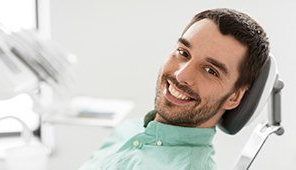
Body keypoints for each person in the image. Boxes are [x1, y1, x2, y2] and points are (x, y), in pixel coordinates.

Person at [79, 8, 269, 170]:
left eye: (210, 70)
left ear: (234, 97)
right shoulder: (128, 129)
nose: (181, 75)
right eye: (183, 53)